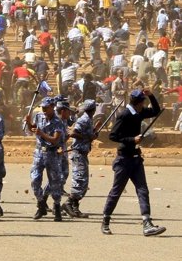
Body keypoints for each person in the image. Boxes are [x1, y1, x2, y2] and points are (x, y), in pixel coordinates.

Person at [101, 89, 166, 236]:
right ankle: (105, 220)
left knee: (143, 190)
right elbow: (113, 136)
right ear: (138, 103)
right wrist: (132, 139)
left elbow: (156, 111)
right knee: (116, 191)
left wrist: (151, 95)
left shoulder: (139, 112)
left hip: (136, 158)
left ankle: (147, 223)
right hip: (124, 159)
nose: (145, 104)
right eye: (143, 101)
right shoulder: (124, 115)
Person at [26, 97, 64, 222]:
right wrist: (28, 123)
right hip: (39, 152)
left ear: (52, 107)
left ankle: (57, 207)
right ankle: (41, 204)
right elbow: (33, 129)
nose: (44, 110)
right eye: (42, 108)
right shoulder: (39, 116)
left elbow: (55, 139)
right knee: (34, 179)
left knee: (55, 182)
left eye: (46, 108)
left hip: (52, 153)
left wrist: (41, 133)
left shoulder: (58, 122)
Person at [62, 99, 99, 218]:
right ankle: (68, 203)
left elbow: (87, 134)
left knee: (82, 181)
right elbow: (73, 133)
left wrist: (93, 134)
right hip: (78, 153)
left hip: (83, 153)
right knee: (80, 180)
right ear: (93, 109)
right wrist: (87, 137)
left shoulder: (88, 119)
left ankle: (75, 208)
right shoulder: (83, 119)